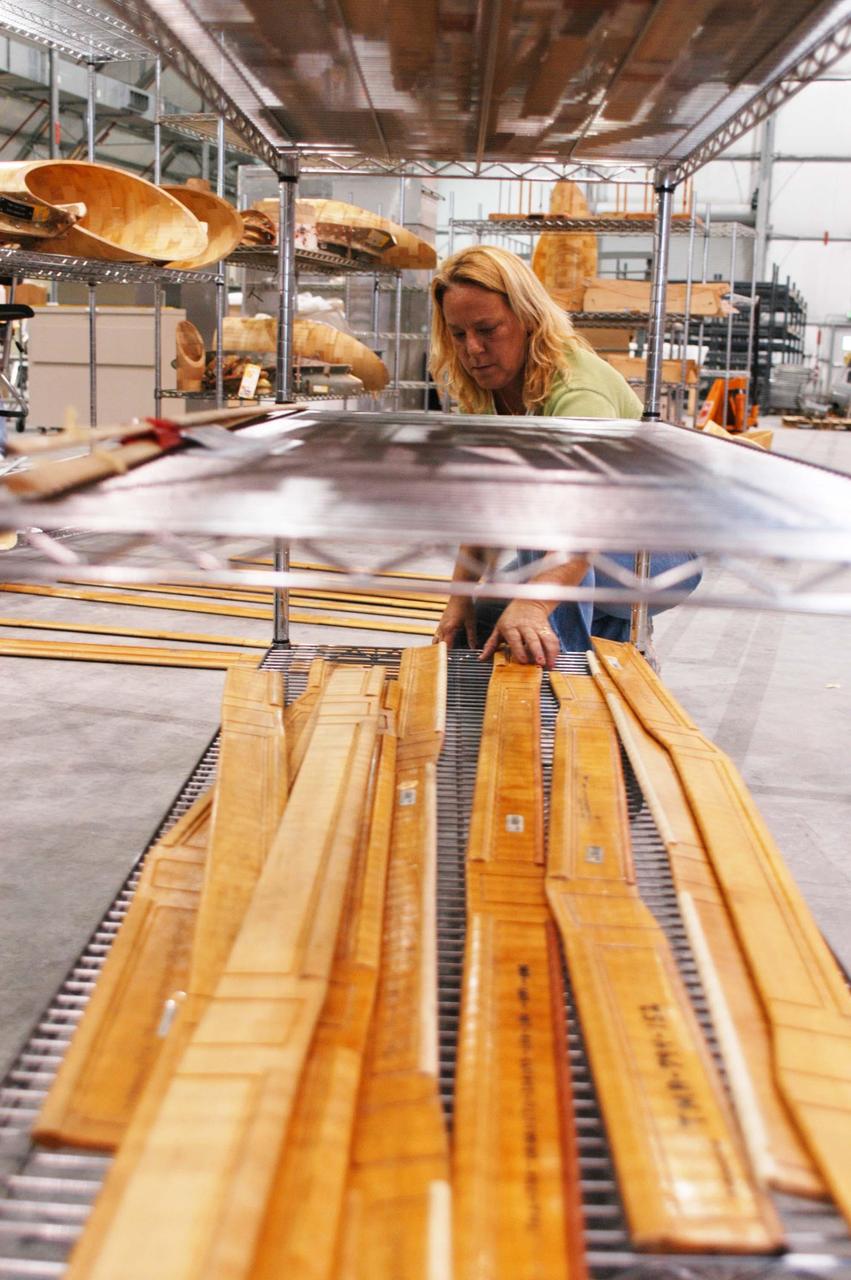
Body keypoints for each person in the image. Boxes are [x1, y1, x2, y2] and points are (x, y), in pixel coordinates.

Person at [429, 243, 700, 668]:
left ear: (528, 317)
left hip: (657, 557)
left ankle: (569, 681)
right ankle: (611, 641)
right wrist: (458, 599)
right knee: (481, 627)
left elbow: (581, 521)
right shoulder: (484, 392)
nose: (473, 349)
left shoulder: (576, 391)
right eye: (459, 334)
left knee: (540, 523)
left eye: (487, 329)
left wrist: (535, 607)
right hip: (589, 552)